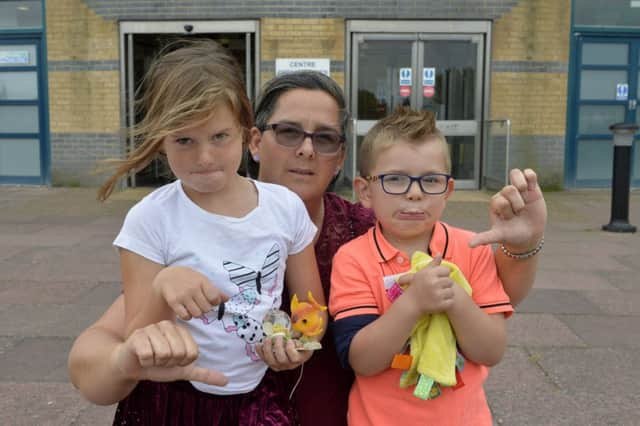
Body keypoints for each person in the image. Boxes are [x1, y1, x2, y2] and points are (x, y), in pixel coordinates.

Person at [68, 69, 547, 425]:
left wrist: (523, 245)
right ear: (254, 140)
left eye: (325, 138)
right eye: (289, 131)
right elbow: (95, 360)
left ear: (341, 158)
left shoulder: (369, 228)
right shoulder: (184, 229)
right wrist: (126, 357)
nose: (305, 149)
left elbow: (484, 292)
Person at [95, 40, 326, 425]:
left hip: (260, 399)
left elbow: (310, 307)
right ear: (161, 143)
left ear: (247, 136)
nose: (204, 157)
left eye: (219, 137)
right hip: (168, 402)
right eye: (184, 140)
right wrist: (161, 288)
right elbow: (139, 337)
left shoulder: (285, 207)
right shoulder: (149, 219)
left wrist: (298, 344)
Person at [329, 106, 512, 425]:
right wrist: (412, 304)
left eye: (430, 180)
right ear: (365, 192)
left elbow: (491, 350)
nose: (414, 193)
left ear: (448, 191)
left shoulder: (472, 249)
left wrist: (454, 297)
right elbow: (362, 360)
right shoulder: (353, 258)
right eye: (395, 179)